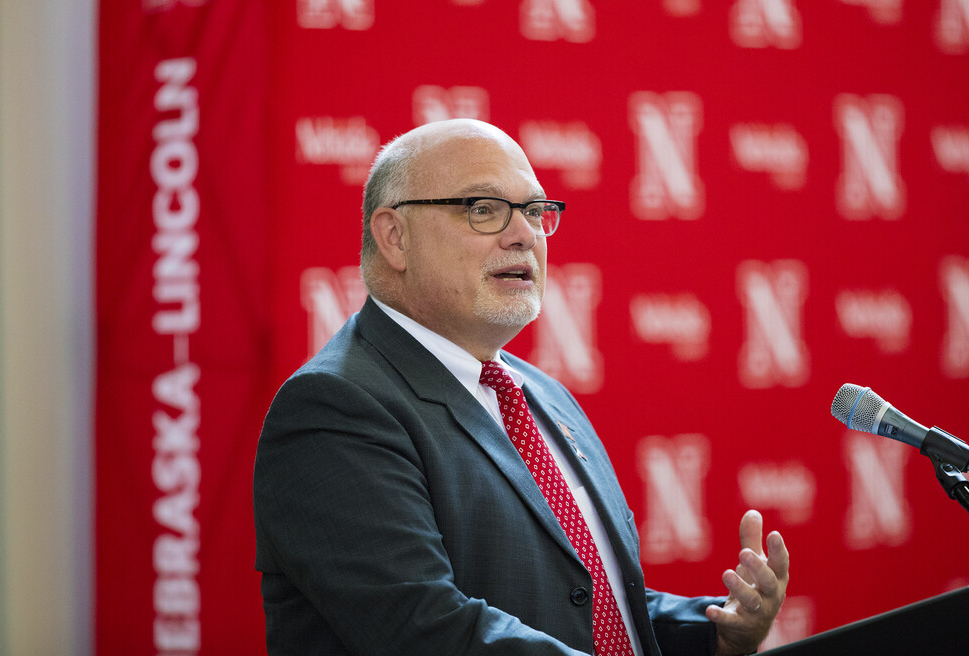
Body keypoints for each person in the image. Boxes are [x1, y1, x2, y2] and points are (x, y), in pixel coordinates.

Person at [253, 119, 789, 655]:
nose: (524, 235)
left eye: (535, 212)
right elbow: (425, 628)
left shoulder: (543, 395)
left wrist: (712, 630)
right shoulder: (335, 407)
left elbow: (588, 601)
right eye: (483, 209)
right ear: (395, 236)